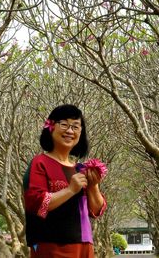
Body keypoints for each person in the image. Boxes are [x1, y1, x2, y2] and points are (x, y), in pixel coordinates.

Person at [23, 104, 107, 258]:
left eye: (75, 126)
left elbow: (96, 211)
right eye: (64, 125)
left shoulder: (81, 168)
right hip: (51, 246)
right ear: (51, 127)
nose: (70, 131)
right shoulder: (40, 163)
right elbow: (36, 203)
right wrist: (70, 190)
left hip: (84, 247)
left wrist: (93, 186)